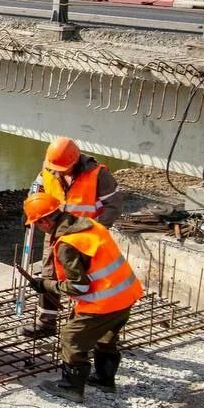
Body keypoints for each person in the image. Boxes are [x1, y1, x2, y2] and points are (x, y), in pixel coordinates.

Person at [23, 191, 144, 402]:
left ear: (43, 222)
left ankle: (71, 387)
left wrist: (46, 285)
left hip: (103, 301)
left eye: (37, 223)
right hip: (126, 294)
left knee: (72, 337)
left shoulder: (68, 244)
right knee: (106, 336)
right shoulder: (89, 224)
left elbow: (79, 287)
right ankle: (105, 380)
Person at [20, 137, 123, 338]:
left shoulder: (98, 174)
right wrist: (29, 208)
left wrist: (97, 230)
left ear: (74, 161)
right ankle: (46, 323)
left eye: (62, 167)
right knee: (49, 275)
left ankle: (80, 326)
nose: (58, 171)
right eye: (55, 167)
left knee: (83, 282)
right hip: (55, 234)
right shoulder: (49, 170)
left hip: (85, 239)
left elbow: (114, 205)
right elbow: (36, 193)